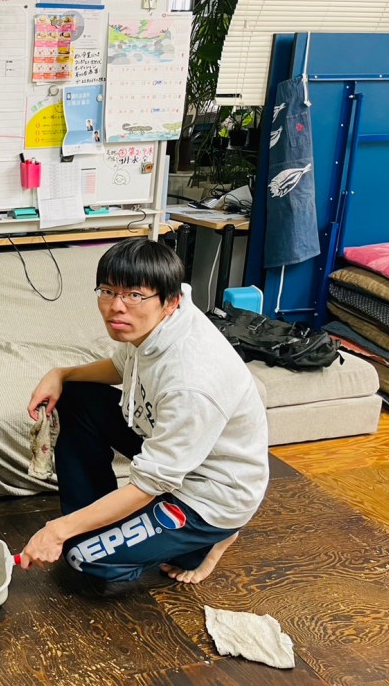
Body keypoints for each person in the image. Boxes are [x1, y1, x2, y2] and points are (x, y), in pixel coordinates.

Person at [20, 238, 268, 586]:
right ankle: (92, 520)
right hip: (174, 456)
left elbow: (150, 482)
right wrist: (61, 374)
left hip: (210, 492)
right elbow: (121, 367)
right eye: (108, 291)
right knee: (75, 395)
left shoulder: (191, 381)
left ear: (170, 301)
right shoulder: (157, 325)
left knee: (81, 558)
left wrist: (56, 531)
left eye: (134, 295)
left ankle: (210, 539)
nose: (116, 307)